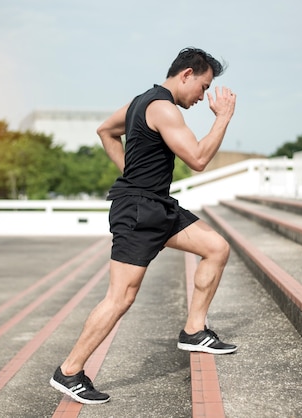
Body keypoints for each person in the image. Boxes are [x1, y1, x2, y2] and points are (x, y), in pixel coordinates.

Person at [50, 47, 237, 405]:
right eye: (203, 86)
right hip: (138, 210)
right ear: (186, 74)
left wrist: (132, 174)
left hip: (157, 206)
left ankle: (194, 330)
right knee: (121, 297)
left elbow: (105, 130)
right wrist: (223, 118)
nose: (203, 97)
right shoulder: (163, 108)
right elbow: (197, 159)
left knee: (216, 247)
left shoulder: (140, 102)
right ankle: (70, 371)